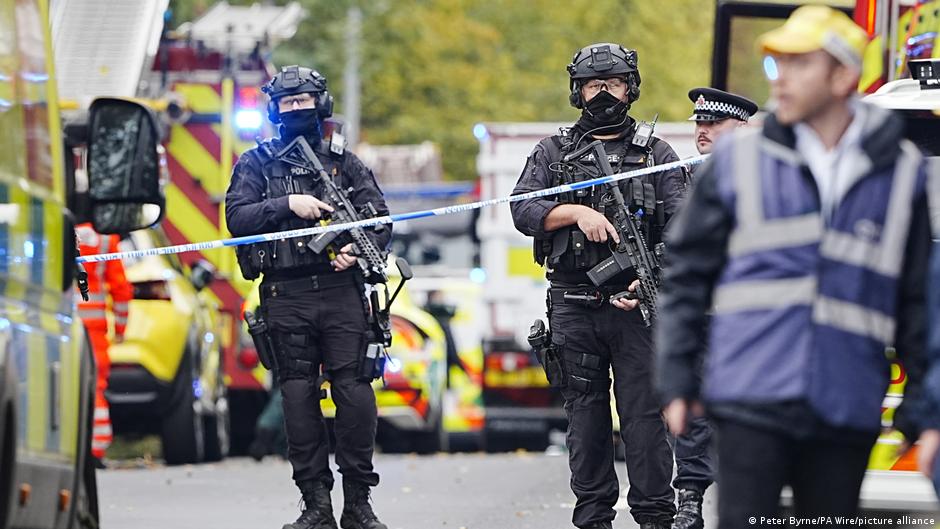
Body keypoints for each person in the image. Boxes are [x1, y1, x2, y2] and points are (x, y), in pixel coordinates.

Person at [655, 6, 933, 528]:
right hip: (749, 396)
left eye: (799, 63)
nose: (780, 79)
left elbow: (916, 299)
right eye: (776, 64)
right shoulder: (738, 161)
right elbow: (686, 275)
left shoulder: (900, 173)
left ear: (844, 75)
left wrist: (923, 405)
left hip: (845, 401)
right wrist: (676, 379)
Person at [511, 42, 686, 529]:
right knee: (585, 420)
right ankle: (593, 518)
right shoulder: (553, 152)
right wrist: (574, 212)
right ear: (578, 91)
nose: (604, 93)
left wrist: (648, 279)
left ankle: (655, 517)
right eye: (594, 85)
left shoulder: (656, 154)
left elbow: (685, 228)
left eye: (613, 83)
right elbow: (522, 208)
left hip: (637, 309)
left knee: (644, 420)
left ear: (631, 88)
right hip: (574, 305)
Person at [225, 65, 391, 529]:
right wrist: (287, 205)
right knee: (297, 395)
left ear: (322, 104)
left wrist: (356, 251)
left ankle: (358, 503)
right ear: (275, 110)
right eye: (289, 102)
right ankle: (315, 504)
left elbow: (380, 220)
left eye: (305, 100)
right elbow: (237, 218)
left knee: (354, 392)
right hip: (286, 293)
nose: (298, 108)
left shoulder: (345, 163)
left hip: (342, 294)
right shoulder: (256, 164)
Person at [667, 86, 758, 529]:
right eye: (699, 123)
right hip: (702, 315)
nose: (702, 130)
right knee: (693, 409)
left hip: (752, 318)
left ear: (741, 128)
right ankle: (690, 499)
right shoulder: (683, 177)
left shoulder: (766, 176)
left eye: (713, 123)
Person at [75, 222, 132, 464]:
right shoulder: (106, 239)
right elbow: (120, 288)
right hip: (94, 329)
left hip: (59, 322)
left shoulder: (54, 226)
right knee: (95, 386)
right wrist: (120, 327)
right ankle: (95, 449)